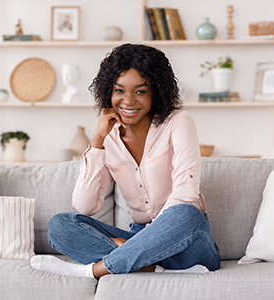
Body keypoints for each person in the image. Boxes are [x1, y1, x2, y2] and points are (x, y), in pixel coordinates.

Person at [30, 43, 220, 279]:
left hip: (185, 240)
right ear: (108, 92)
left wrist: (144, 240)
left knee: (185, 212)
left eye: (140, 91)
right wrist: (98, 140)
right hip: (138, 240)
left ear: (156, 92)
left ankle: (94, 270)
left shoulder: (178, 122)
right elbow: (85, 206)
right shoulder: (108, 137)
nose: (128, 101)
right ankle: (152, 268)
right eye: (119, 91)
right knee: (60, 226)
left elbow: (185, 192)